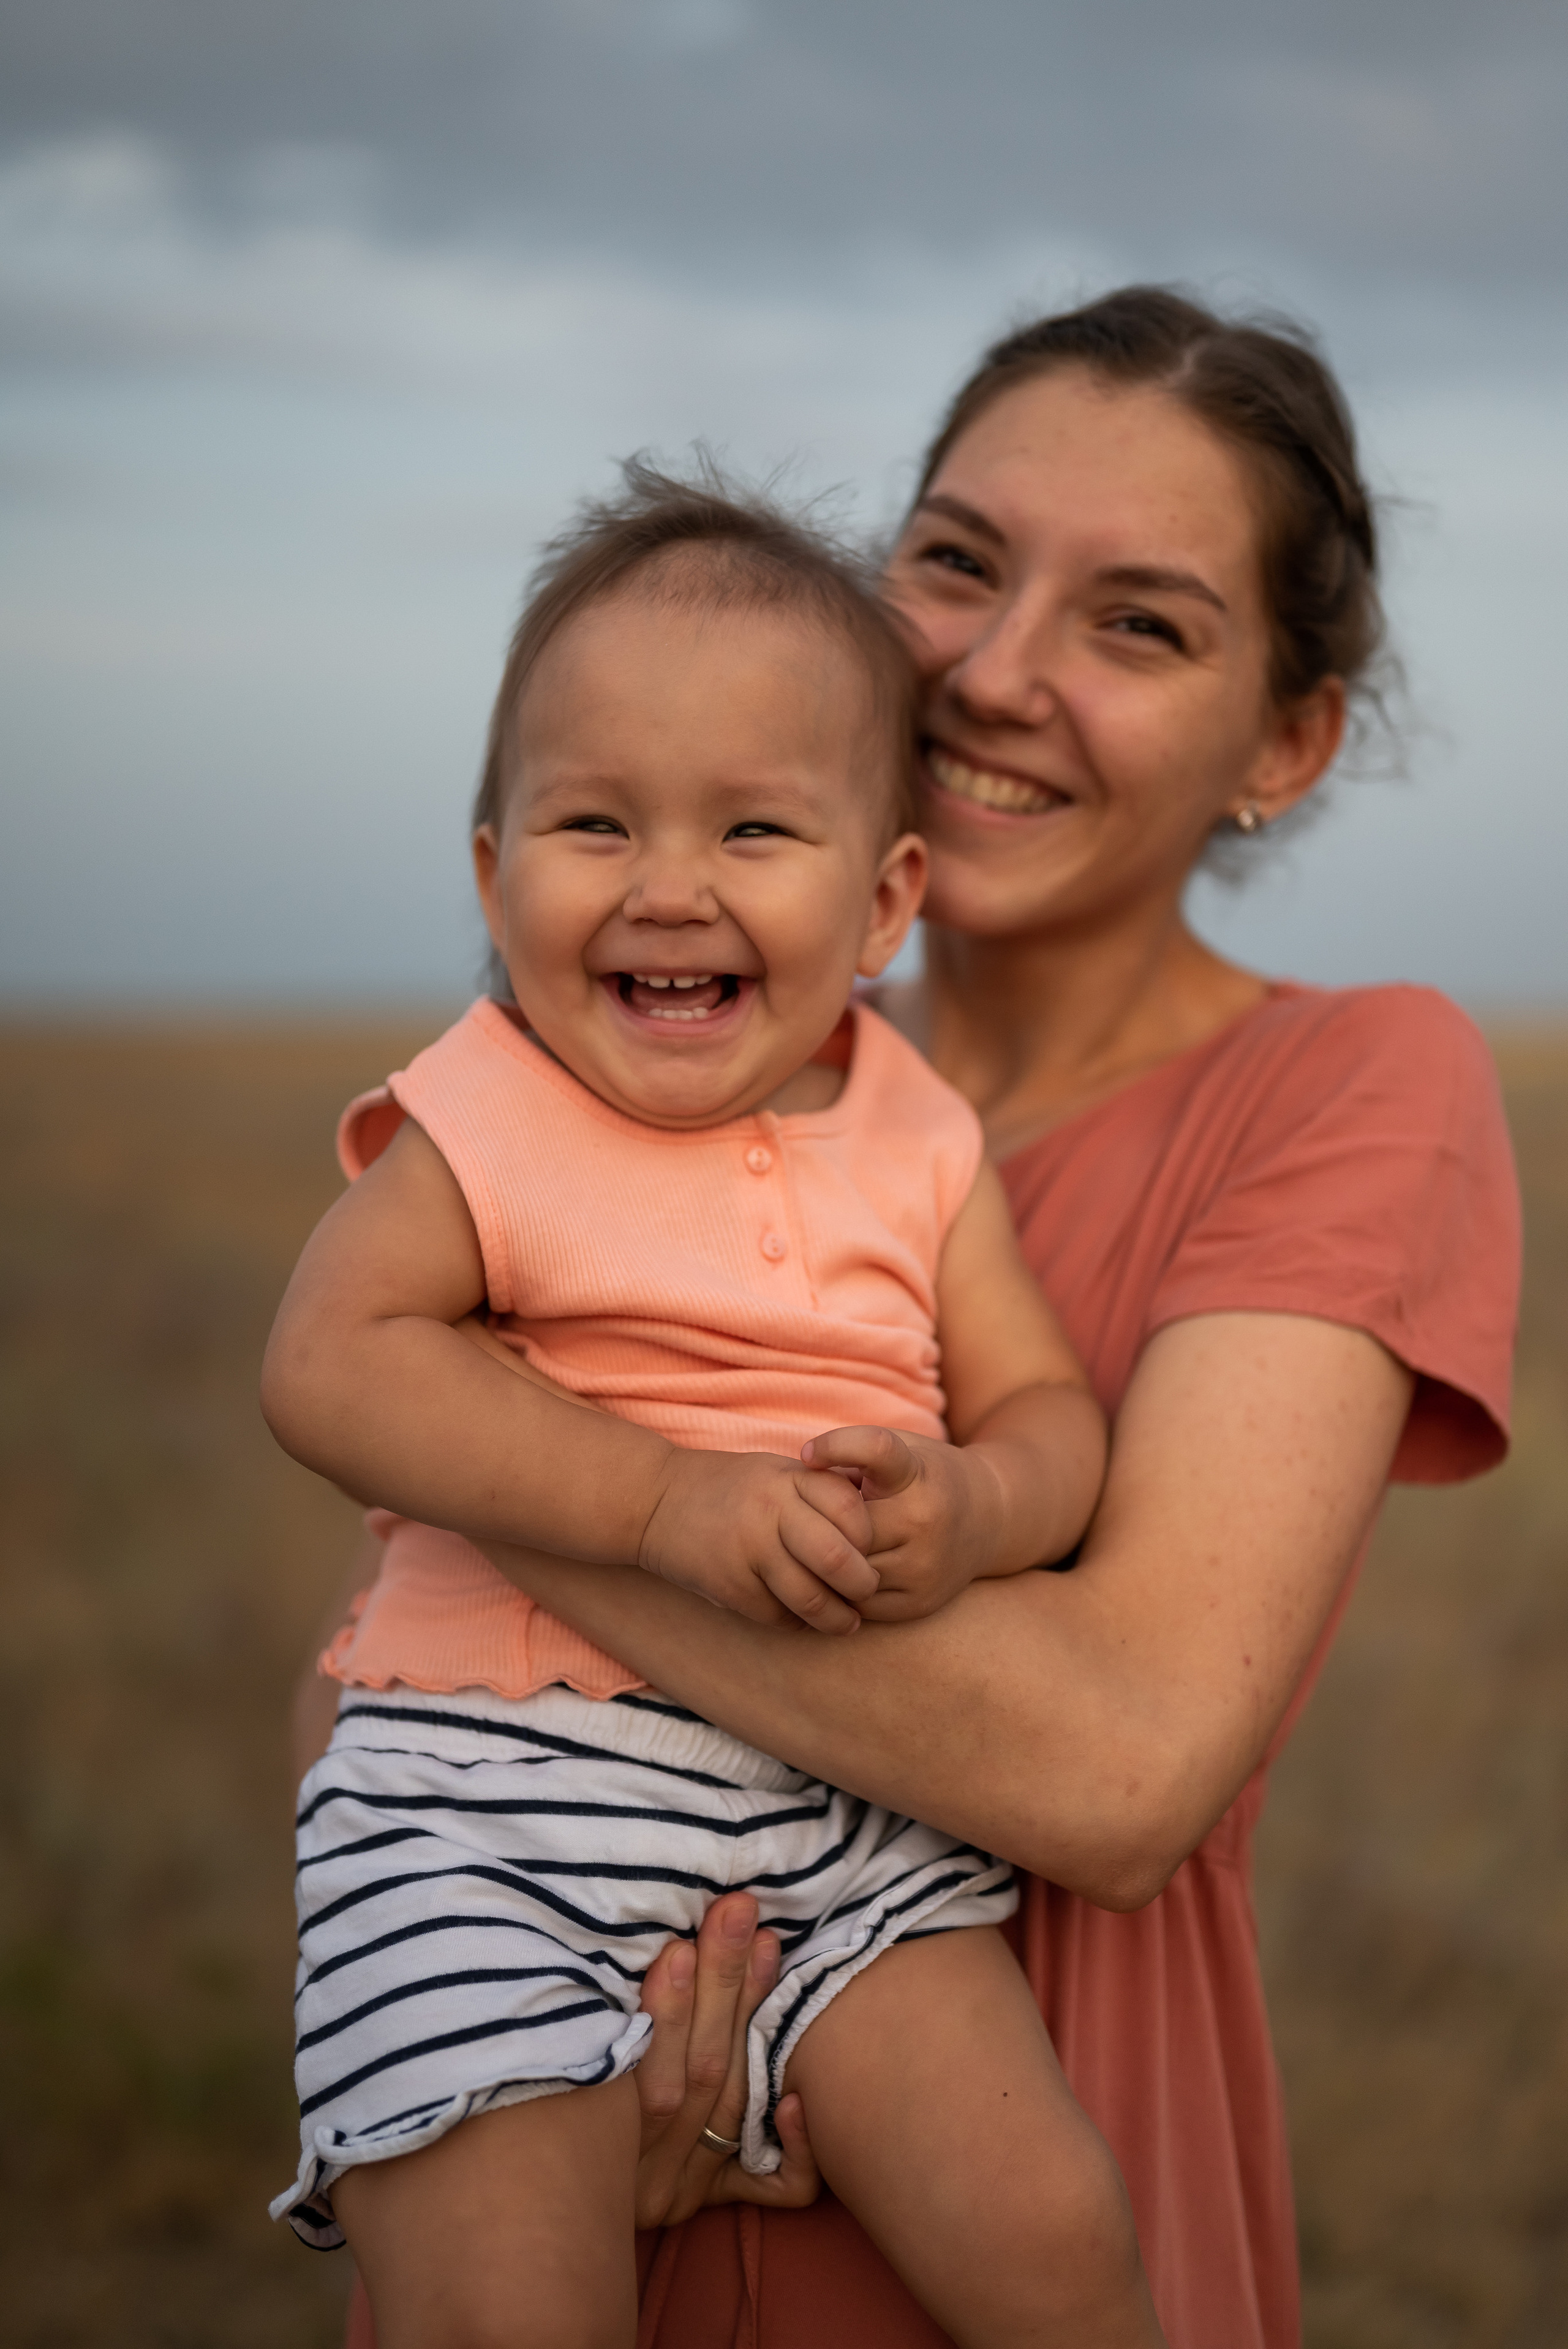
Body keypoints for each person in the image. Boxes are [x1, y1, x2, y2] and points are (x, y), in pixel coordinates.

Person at [309, 287, 1520, 2349]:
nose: (990, 669)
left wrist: (524, 1448)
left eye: (1140, 622)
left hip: (1015, 2114)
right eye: (955, 559)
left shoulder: (1352, 1085)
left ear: (1287, 740)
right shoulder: (658, 1052)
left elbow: (1120, 1760)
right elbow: (380, 1674)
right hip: (602, 2155)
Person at [263, 467, 1171, 2347]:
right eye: (596, 822)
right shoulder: (486, 1112)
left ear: (883, 901)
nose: (668, 883)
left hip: (854, 1828)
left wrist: (978, 1508)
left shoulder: (919, 1139)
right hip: (483, 1813)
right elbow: (331, 1359)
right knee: (514, 2311)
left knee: (1059, 2235)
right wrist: (668, 1503)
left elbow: (1048, 1414)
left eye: (755, 827)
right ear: (497, 868)